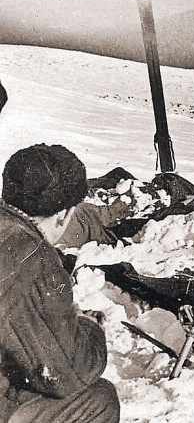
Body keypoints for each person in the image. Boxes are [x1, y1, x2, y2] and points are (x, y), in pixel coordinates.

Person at [0, 144, 120, 422]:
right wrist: (89, 328)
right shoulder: (33, 260)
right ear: (63, 215)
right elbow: (67, 373)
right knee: (99, 401)